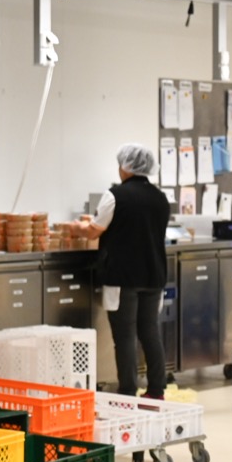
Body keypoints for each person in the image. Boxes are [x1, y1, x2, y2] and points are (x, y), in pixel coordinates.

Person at [81, 143, 172, 398]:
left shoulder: (115, 195)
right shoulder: (160, 198)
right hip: (154, 275)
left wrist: (76, 229)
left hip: (123, 277)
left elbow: (94, 231)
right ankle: (156, 390)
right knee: (150, 332)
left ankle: (127, 391)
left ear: (126, 167)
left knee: (125, 336)